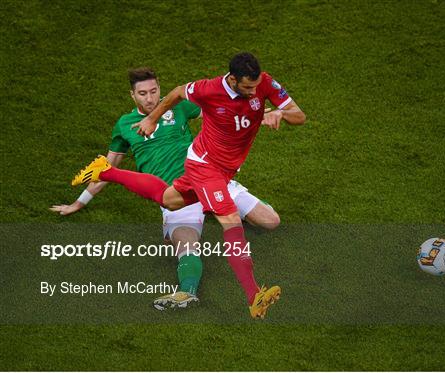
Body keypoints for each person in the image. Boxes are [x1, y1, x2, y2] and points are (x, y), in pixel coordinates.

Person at [72, 53, 306, 319]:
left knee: (170, 198)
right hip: (205, 169)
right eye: (248, 88)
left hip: (221, 171)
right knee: (230, 223)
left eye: (153, 91)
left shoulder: (263, 83)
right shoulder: (209, 89)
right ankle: (254, 295)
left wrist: (281, 114)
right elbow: (180, 91)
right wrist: (150, 120)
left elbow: (300, 116)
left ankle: (107, 172)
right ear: (232, 79)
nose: (254, 92)